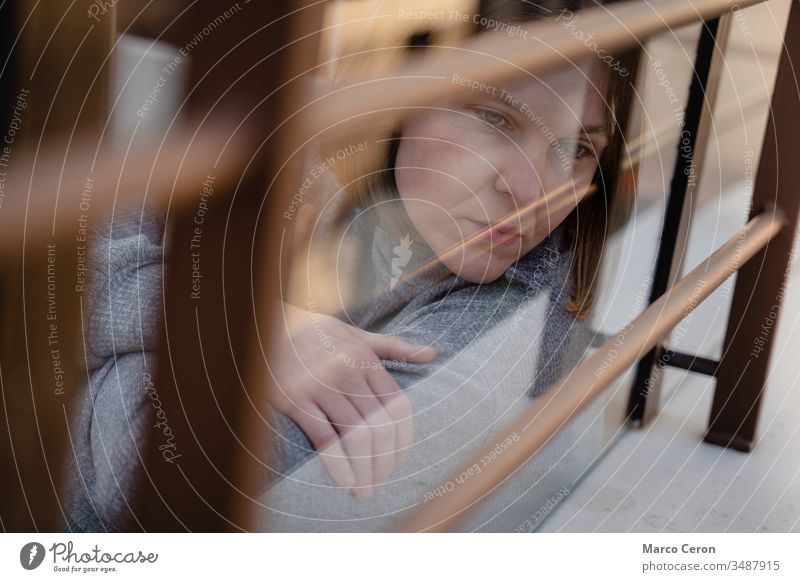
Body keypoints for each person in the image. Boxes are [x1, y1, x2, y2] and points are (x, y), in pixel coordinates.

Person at [64, 0, 639, 531]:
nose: (530, 192)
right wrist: (264, 328)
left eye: (577, 149)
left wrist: (231, 339)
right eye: (493, 119)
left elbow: (164, 486)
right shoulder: (300, 172)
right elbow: (63, 276)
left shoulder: (503, 328)